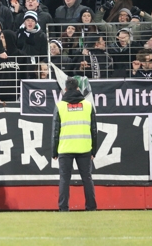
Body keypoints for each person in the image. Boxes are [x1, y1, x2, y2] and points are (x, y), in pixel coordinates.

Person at [52, 77, 98, 212]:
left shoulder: (60, 106)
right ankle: (91, 207)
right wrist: (93, 151)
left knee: (64, 180)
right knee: (87, 179)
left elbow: (55, 130)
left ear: (65, 90)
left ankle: (63, 208)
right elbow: (94, 130)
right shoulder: (88, 105)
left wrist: (54, 151)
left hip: (65, 148)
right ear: (78, 89)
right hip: (84, 147)